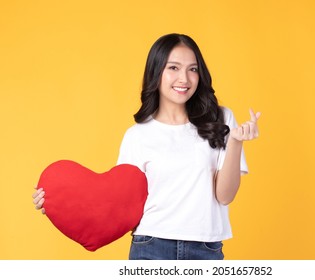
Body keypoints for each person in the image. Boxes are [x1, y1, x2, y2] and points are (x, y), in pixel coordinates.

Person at [33, 33, 261, 260]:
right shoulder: (137, 135)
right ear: (156, 72)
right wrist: (58, 201)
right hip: (151, 246)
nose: (184, 78)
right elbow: (117, 202)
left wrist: (236, 142)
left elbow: (225, 196)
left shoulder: (221, 119)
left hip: (206, 248)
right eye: (173, 68)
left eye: (193, 69)